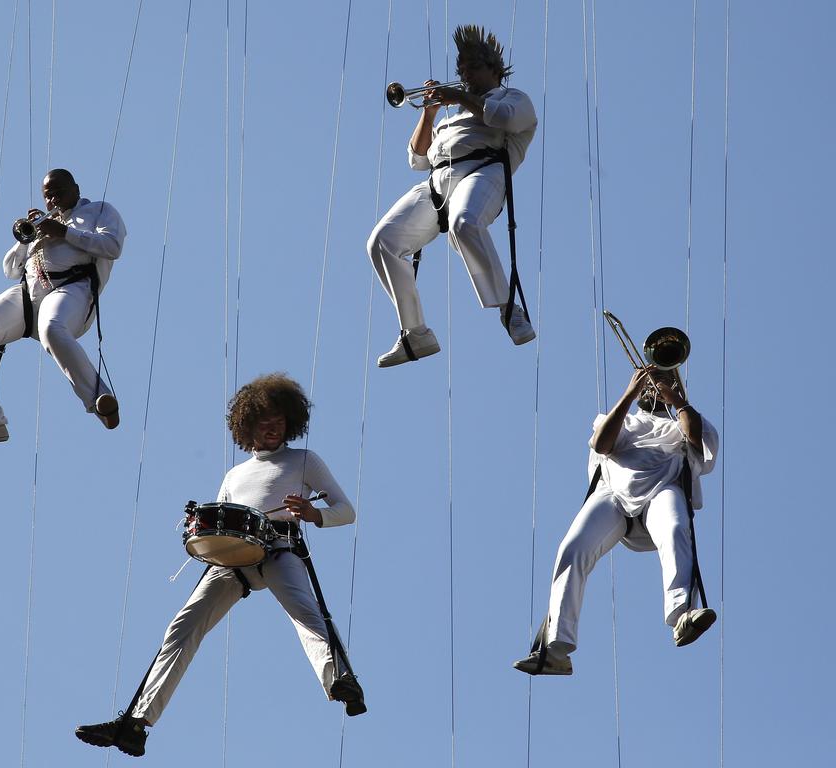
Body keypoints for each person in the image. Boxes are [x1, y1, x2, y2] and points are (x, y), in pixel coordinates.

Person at [75, 374, 365, 758]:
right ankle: (135, 724)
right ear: (247, 426)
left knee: (308, 614)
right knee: (182, 628)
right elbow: (219, 520)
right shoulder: (234, 475)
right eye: (263, 420)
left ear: (291, 421)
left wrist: (313, 513)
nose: (273, 426)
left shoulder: (304, 460)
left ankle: (341, 682)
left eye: (279, 419)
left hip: (280, 548)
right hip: (231, 558)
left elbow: (347, 511)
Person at [514, 366, 720, 676]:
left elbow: (697, 441)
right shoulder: (626, 419)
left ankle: (682, 614)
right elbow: (601, 444)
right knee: (573, 548)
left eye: (666, 381)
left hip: (663, 488)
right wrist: (629, 394)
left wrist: (676, 400)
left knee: (676, 529)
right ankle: (556, 648)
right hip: (612, 494)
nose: (655, 388)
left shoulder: (687, 419)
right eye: (652, 384)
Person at [367, 24, 539, 368]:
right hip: (436, 182)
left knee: (464, 223)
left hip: (483, 171)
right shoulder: (451, 117)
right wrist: (431, 112)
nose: (465, 76)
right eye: (461, 71)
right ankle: (415, 334)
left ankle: (508, 309)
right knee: (381, 242)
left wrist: (460, 97)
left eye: (472, 69)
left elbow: (504, 119)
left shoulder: (513, 99)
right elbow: (417, 158)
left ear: (494, 69)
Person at [0, 169, 126, 445]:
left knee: (52, 329)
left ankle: (98, 401)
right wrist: (26, 239)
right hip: (29, 294)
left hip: (72, 289)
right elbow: (10, 269)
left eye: (59, 192)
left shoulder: (99, 211)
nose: (53, 199)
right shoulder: (45, 222)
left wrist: (64, 232)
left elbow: (112, 246)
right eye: (48, 195)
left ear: (76, 189)